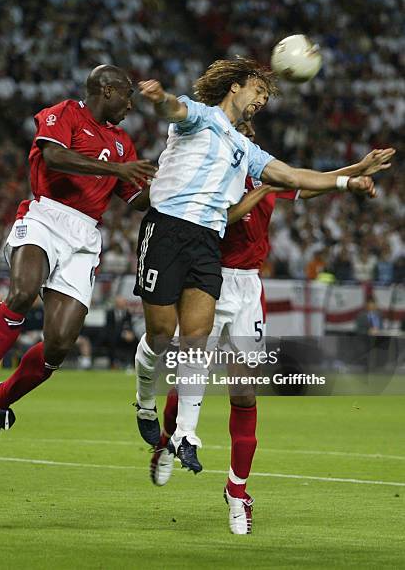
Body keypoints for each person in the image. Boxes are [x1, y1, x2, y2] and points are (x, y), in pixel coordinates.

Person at [150, 118, 394, 534]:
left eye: (250, 125)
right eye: (239, 123)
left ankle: (237, 492)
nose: (247, 130)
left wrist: (357, 170)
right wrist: (264, 187)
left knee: (244, 394)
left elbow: (310, 182)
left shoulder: (262, 170)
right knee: (193, 380)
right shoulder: (212, 173)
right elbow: (220, 217)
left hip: (248, 289)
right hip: (208, 280)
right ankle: (168, 441)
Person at [132, 57, 376, 473]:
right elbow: (174, 109)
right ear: (236, 87)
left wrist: (346, 181)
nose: (262, 101)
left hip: (207, 243)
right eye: (259, 92)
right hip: (169, 229)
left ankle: (187, 434)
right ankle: (143, 399)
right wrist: (159, 98)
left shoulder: (246, 151)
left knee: (195, 339)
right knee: (160, 334)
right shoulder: (202, 117)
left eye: (266, 96)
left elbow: (292, 175)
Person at [0, 64, 155, 449]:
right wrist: (116, 168)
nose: (131, 105)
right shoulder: (64, 114)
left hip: (85, 237)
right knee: (22, 293)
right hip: (45, 215)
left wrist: (169, 186)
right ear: (107, 90)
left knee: (58, 345)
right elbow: (55, 157)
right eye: (127, 95)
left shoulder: (124, 143)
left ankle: (0, 397)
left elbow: (135, 199)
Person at [104, 295, 138, 368]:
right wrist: (122, 334)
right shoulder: (110, 313)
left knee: (136, 341)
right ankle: (113, 364)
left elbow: (129, 326)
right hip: (113, 335)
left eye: (124, 302)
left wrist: (130, 333)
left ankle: (133, 363)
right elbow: (109, 328)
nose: (123, 304)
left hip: (125, 335)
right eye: (121, 302)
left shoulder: (128, 313)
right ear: (116, 303)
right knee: (111, 341)